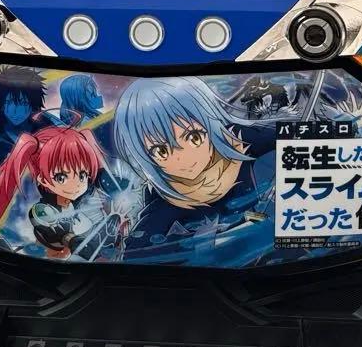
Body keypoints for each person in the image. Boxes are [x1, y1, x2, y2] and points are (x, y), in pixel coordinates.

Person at [112, 76, 275, 260]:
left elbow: (295, 132)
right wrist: (205, 241)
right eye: (162, 151)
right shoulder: (167, 198)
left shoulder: (237, 140)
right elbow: (135, 254)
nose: (184, 159)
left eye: (194, 137)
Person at [0, 125, 105, 258]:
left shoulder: (77, 201)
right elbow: (54, 232)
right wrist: (72, 242)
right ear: (42, 179)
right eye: (61, 177)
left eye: (82, 175)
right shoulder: (41, 210)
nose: (77, 185)